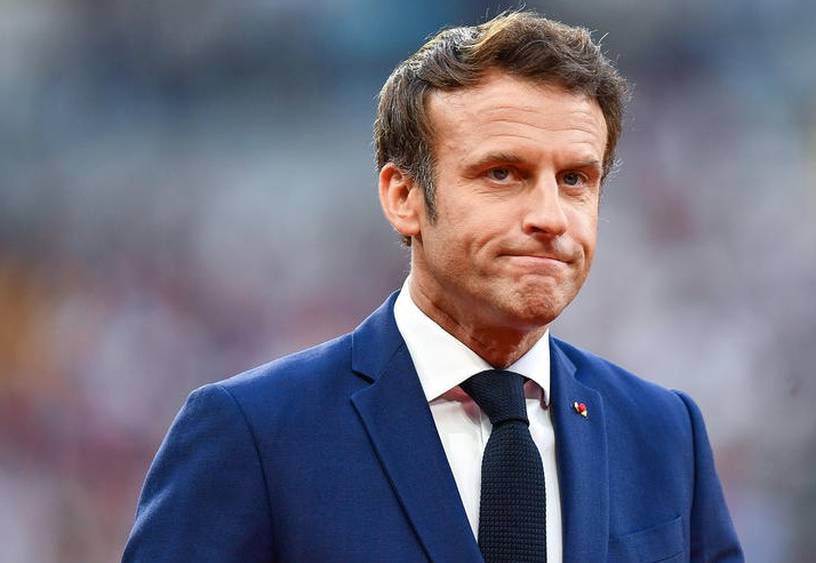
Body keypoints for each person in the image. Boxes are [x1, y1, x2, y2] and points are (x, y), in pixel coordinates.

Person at [122, 11, 743, 563]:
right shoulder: (254, 434)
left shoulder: (664, 432)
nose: (550, 216)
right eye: (502, 173)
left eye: (576, 179)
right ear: (404, 196)